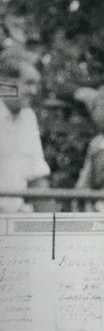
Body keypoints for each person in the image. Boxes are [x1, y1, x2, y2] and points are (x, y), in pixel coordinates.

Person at [0, 50, 52, 213]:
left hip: (15, 220)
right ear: (5, 83)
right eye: (29, 83)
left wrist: (50, 225)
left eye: (36, 84)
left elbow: (37, 178)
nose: (34, 91)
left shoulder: (28, 117)